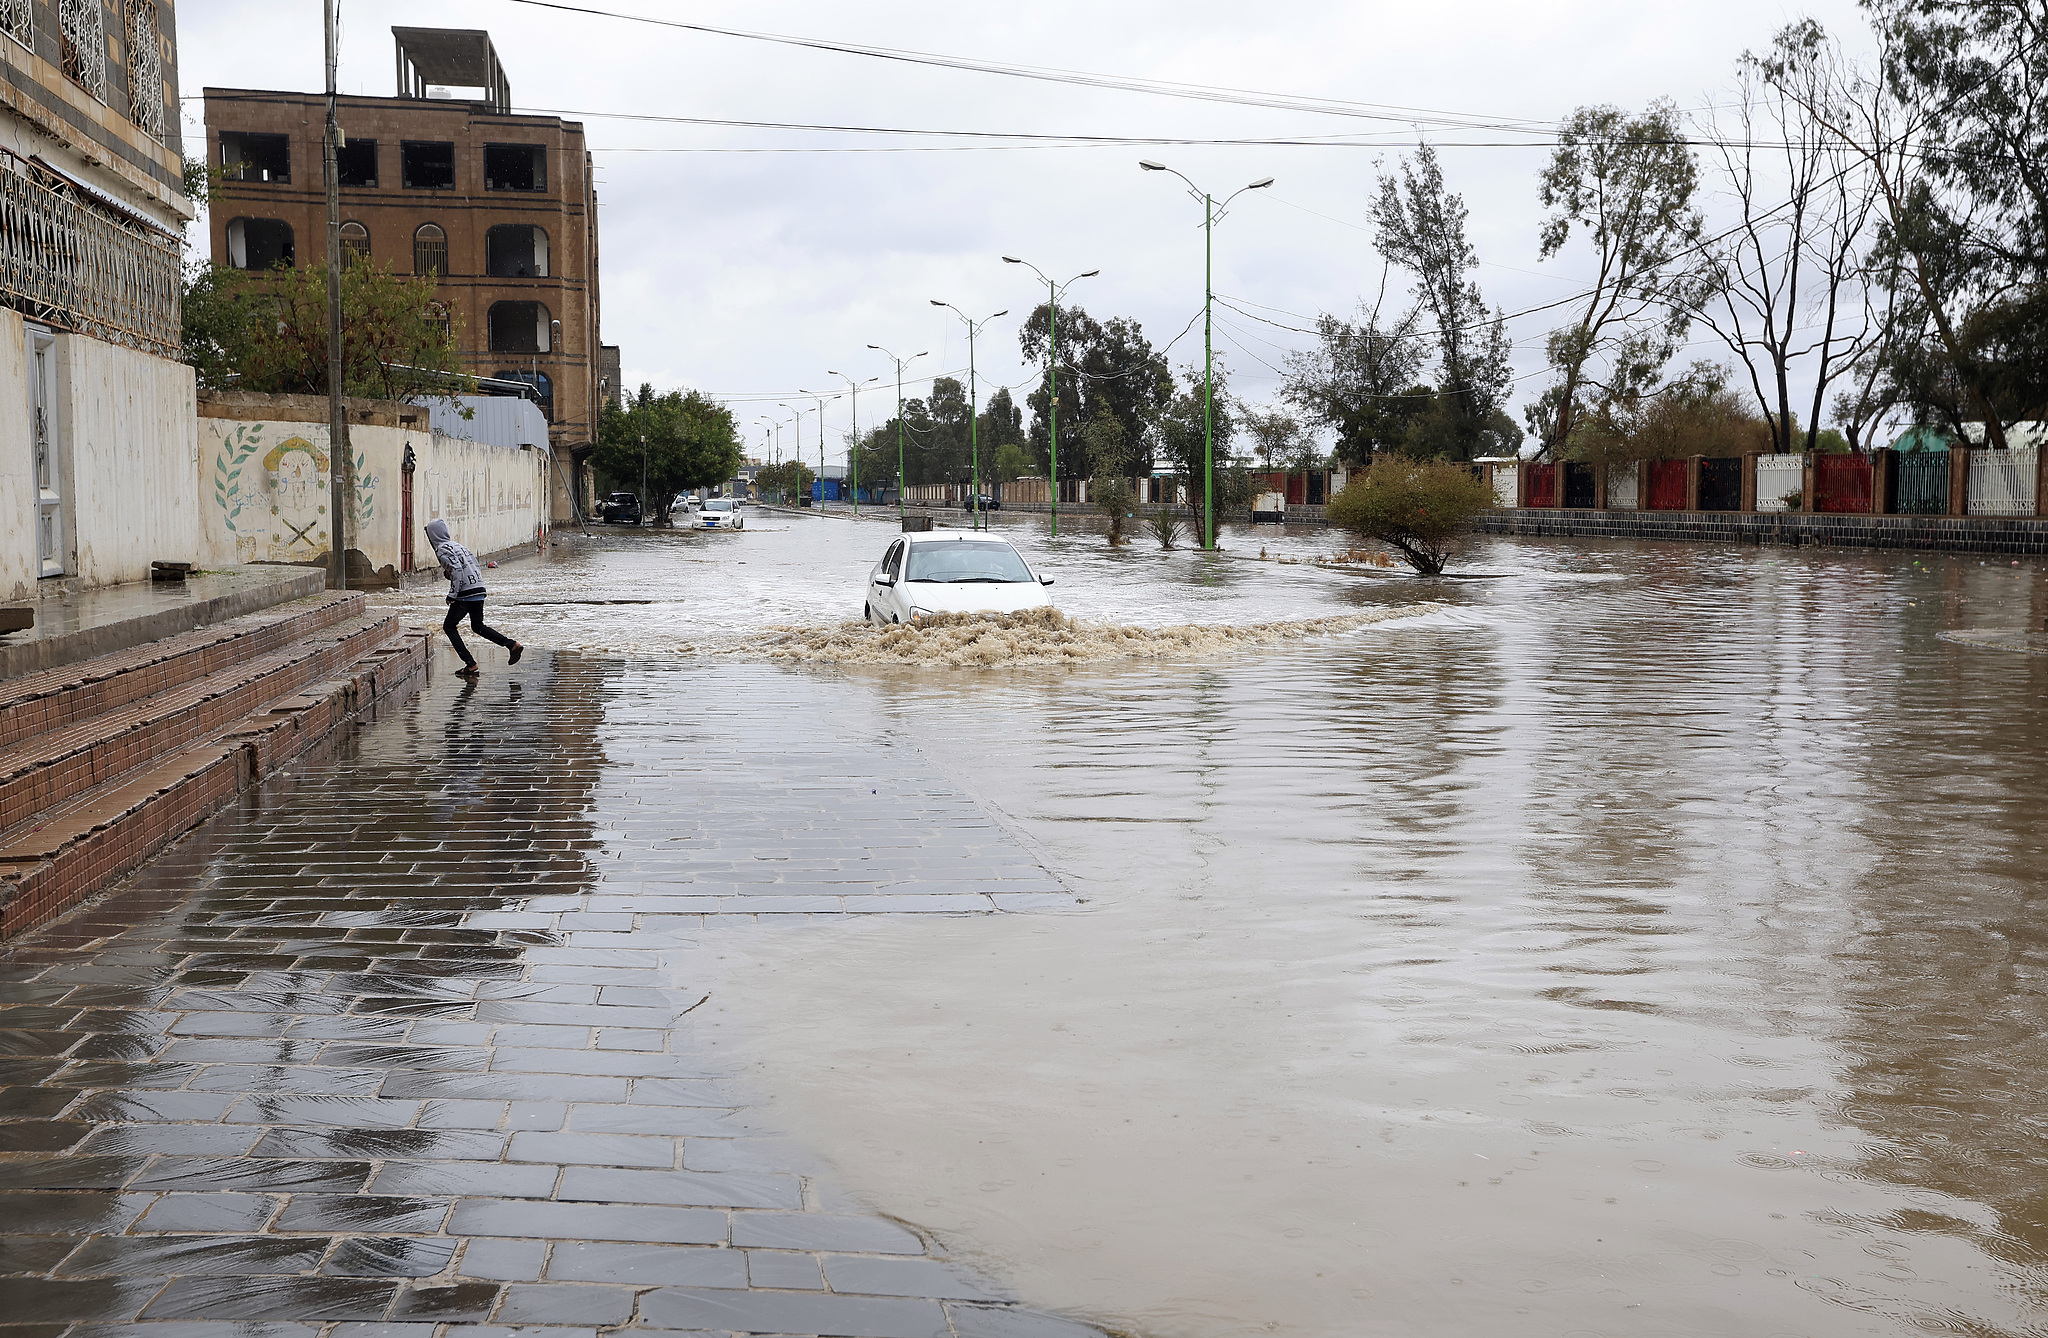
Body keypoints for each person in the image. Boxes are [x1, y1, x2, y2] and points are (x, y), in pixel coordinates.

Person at [425, 518, 522, 677]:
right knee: (478, 626)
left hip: (466, 593)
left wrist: (452, 594)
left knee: (449, 627)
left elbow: (457, 571)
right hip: (478, 589)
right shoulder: (458, 546)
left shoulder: (442, 549)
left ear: (433, 535)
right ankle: (512, 645)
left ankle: (470, 664)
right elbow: (472, 566)